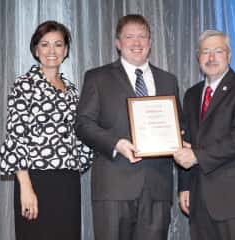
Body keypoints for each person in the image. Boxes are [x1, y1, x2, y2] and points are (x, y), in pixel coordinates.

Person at [75, 14, 182, 240]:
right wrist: (116, 144)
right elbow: (83, 124)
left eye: (142, 36)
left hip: (157, 189)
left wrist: (179, 138)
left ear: (150, 42)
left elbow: (177, 125)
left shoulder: (168, 80)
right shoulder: (97, 77)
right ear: (118, 43)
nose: (136, 43)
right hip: (114, 186)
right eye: (129, 37)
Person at [0, 20, 93, 240]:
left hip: (68, 182)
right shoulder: (24, 85)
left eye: (58, 44)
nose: (52, 51)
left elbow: (81, 137)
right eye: (45, 44)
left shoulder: (73, 91)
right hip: (36, 180)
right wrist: (26, 187)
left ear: (66, 50)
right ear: (36, 49)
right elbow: (16, 136)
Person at [175, 29, 235, 240]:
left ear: (229, 55)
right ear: (198, 57)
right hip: (199, 199)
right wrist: (185, 186)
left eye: (218, 51)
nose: (211, 57)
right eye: (205, 51)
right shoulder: (191, 94)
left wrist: (198, 155)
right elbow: (186, 142)